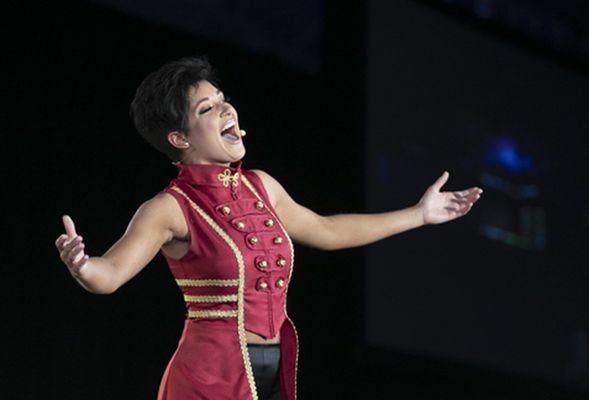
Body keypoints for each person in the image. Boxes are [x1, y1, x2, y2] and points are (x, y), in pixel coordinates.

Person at [55, 56, 483, 400]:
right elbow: (109, 275)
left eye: (223, 99)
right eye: (207, 109)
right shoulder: (170, 208)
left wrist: (419, 214)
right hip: (208, 379)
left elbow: (326, 230)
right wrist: (82, 265)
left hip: (274, 366)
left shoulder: (261, 186)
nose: (226, 109)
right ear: (179, 139)